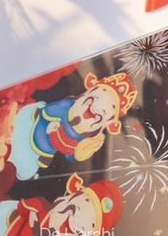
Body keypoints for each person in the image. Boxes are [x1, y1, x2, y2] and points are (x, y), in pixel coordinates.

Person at [9, 71, 137, 180]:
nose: (99, 107)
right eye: (99, 96)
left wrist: (81, 150)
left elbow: (71, 155)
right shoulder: (68, 106)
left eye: (110, 108)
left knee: (27, 167)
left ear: (110, 122)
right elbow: (49, 111)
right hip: (38, 126)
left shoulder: (85, 137)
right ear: (90, 90)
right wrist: (53, 124)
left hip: (45, 150)